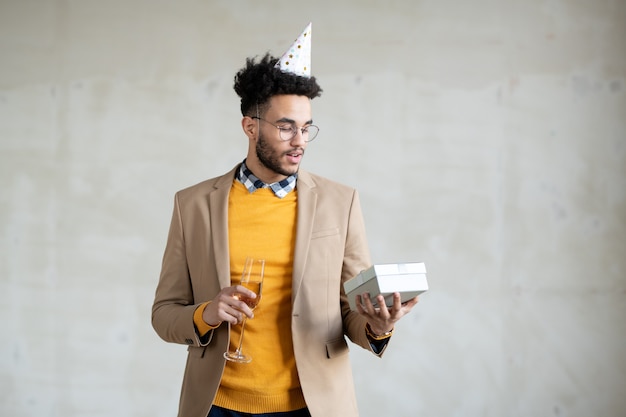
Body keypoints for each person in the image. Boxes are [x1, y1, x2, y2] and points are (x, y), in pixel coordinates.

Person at [151, 23, 418, 417]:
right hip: (217, 406)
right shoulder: (192, 205)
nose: (300, 141)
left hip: (311, 405)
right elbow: (163, 315)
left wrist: (379, 324)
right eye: (286, 127)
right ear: (250, 126)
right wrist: (206, 313)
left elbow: (352, 312)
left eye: (306, 127)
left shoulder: (339, 203)